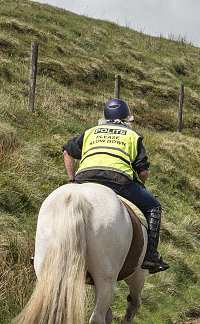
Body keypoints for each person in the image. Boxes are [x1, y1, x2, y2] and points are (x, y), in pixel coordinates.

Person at [62, 99, 170, 273]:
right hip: (118, 181)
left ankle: (42, 251)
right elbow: (143, 172)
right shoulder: (132, 135)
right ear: (127, 119)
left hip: (84, 179)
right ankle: (151, 256)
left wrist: (72, 180)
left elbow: (67, 152)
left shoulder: (91, 132)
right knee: (154, 207)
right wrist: (141, 186)